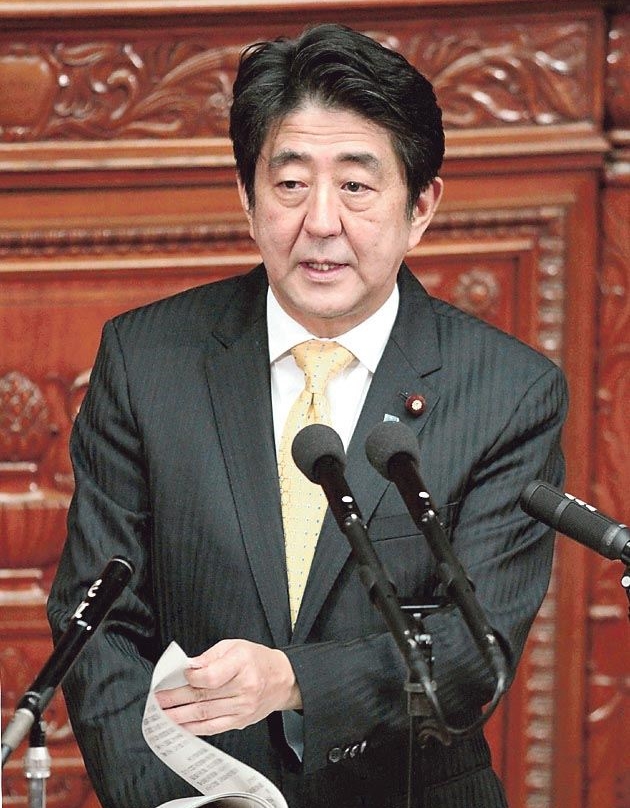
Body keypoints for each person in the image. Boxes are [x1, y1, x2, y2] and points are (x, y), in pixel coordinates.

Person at [47, 22, 568, 808]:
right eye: (290, 184)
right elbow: (97, 622)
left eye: (356, 186)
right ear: (248, 198)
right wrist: (182, 801)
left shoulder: (507, 392)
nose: (320, 221)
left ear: (420, 206)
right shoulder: (145, 360)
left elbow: (474, 651)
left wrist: (294, 680)